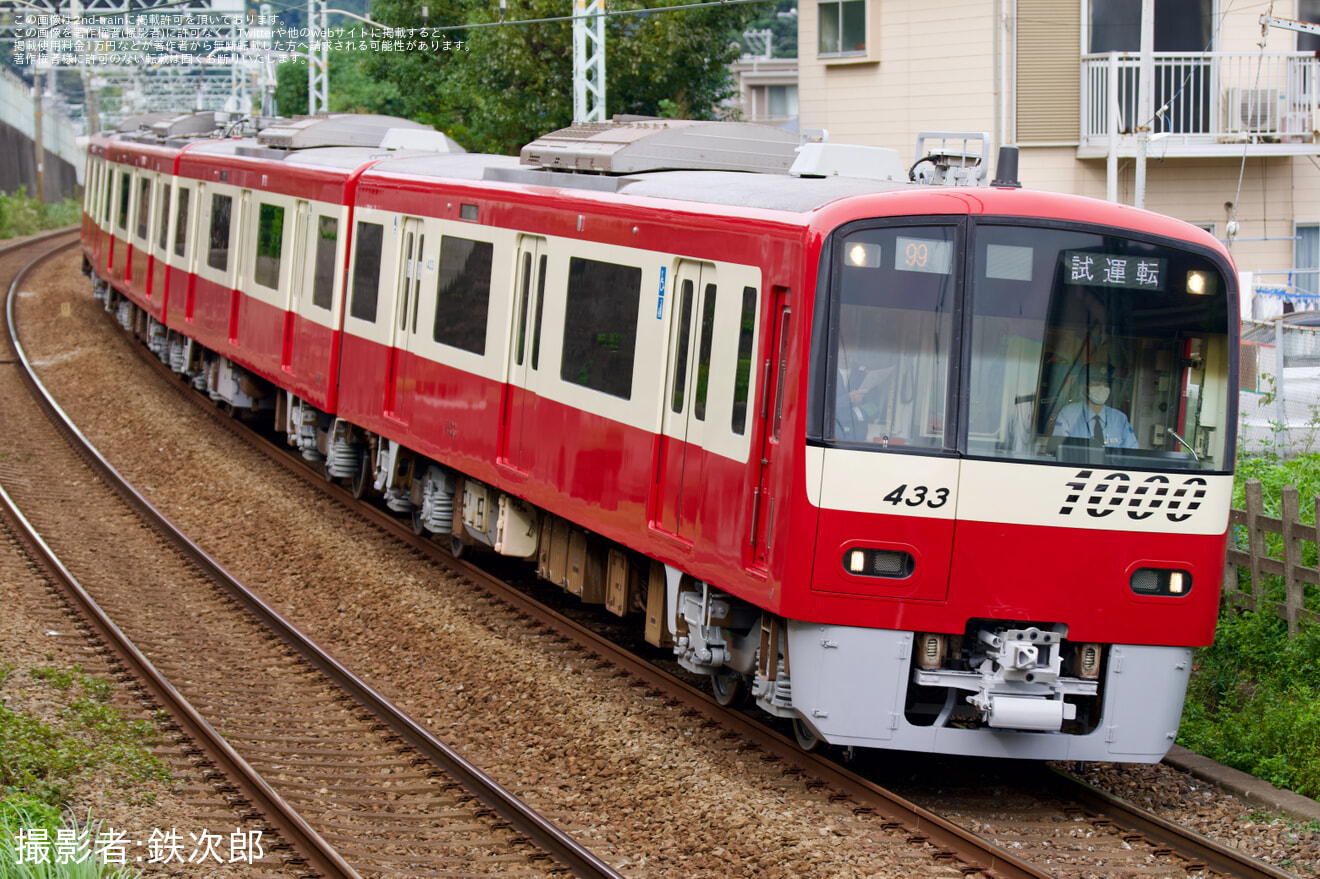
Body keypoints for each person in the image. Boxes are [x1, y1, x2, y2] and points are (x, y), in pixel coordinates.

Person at [1051, 369, 1138, 449]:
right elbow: (1059, 449)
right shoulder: (1068, 414)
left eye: (1105, 385)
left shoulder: (1119, 419)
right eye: (1096, 384)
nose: (1102, 388)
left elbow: (1132, 453)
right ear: (1084, 388)